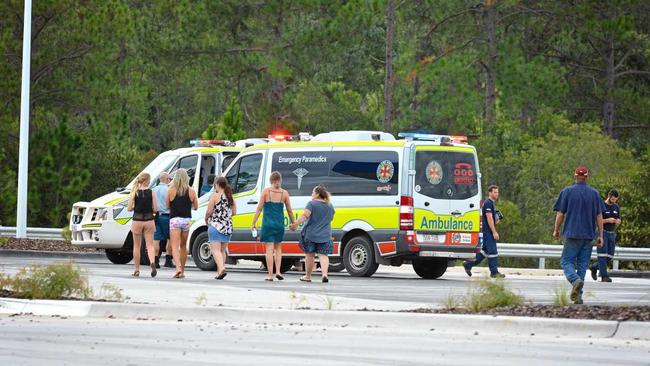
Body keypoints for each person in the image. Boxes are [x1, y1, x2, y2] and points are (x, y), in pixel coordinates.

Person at [553, 166, 604, 305]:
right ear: (587, 177)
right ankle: (578, 296)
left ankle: (575, 281)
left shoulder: (567, 191)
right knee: (582, 265)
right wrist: (601, 235)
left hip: (572, 233)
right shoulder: (594, 193)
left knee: (566, 261)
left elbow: (560, 214)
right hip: (588, 235)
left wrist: (556, 229)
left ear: (575, 176)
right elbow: (599, 216)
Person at [251, 171, 294, 281]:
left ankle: (270, 275)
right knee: (278, 248)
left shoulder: (266, 192)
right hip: (279, 224)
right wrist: (293, 222)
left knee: (269, 249)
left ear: (271, 181)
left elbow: (259, 208)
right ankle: (278, 271)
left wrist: (253, 222)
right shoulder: (284, 193)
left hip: (268, 224)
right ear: (280, 180)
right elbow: (289, 210)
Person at [290, 184, 335, 283]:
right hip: (325, 235)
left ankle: (308, 276)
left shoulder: (311, 204)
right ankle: (324, 275)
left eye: (313, 192)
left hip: (311, 235)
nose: (311, 194)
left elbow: (305, 216)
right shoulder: (330, 205)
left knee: (310, 255)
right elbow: (331, 218)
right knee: (323, 255)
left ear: (317, 194)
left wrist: (295, 224)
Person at [463, 185, 504, 278]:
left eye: (497, 192)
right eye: (494, 192)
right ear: (490, 193)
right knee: (493, 251)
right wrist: (494, 232)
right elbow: (489, 218)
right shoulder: (488, 203)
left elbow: (493, 220)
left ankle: (468, 264)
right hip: (488, 232)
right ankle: (494, 272)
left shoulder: (491, 203)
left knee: (484, 252)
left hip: (488, 232)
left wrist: (498, 218)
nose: (496, 194)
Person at [166, 168, 199, 279]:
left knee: (174, 247)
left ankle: (178, 268)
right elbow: (196, 206)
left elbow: (167, 205)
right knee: (183, 246)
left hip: (175, 220)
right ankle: (182, 271)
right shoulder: (191, 191)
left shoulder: (171, 190)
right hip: (186, 220)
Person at [126, 172, 158, 277]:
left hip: (137, 220)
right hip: (149, 220)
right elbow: (156, 209)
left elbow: (129, 208)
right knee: (150, 245)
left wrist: (137, 206)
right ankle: (152, 263)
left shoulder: (134, 192)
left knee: (137, 246)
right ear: (146, 181)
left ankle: (137, 270)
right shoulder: (152, 192)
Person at [205, 177, 236, 280]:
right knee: (222, 251)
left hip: (216, 225)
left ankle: (222, 268)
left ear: (217, 184)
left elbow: (209, 211)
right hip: (227, 227)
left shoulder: (215, 196)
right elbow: (234, 212)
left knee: (215, 250)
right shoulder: (230, 196)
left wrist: (206, 218)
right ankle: (219, 273)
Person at [590, 189, 621, 282]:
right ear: (609, 196)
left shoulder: (616, 207)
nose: (613, 201)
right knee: (602, 255)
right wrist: (607, 220)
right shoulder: (601, 205)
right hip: (602, 231)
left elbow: (618, 218)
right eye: (612, 199)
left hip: (612, 233)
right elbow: (596, 220)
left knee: (610, 256)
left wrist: (618, 221)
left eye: (615, 199)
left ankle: (595, 267)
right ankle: (604, 276)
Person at [152, 171, 172, 269]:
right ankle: (168, 259)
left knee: (156, 239)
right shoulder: (169, 189)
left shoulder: (153, 190)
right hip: (167, 216)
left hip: (156, 216)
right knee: (171, 238)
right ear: (166, 179)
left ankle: (156, 260)